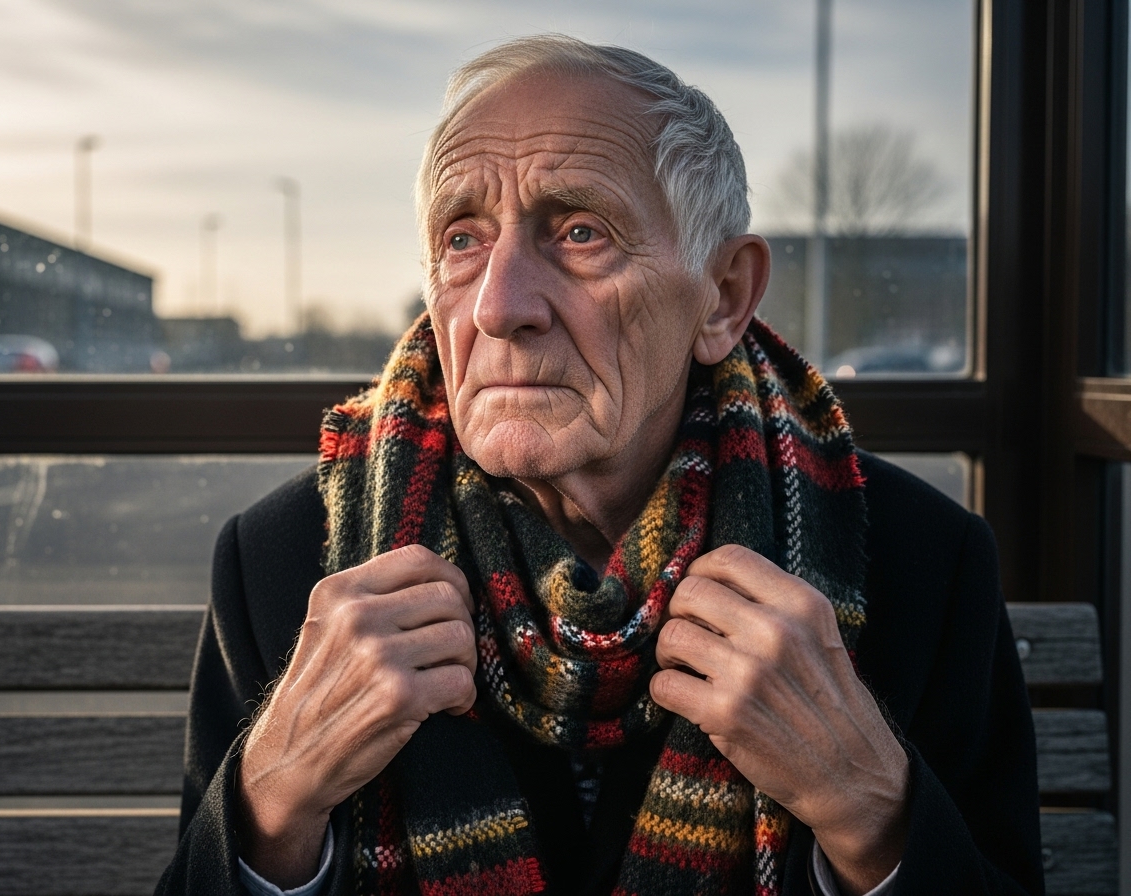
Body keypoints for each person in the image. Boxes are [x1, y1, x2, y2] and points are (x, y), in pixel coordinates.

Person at [157, 35, 1042, 896]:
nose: (500, 307)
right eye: (461, 241)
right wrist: (270, 804)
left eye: (579, 232)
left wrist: (871, 803)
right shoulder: (288, 565)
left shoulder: (923, 567)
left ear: (723, 296)